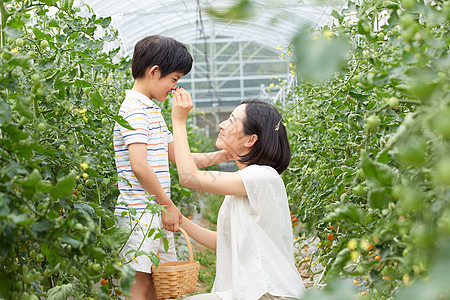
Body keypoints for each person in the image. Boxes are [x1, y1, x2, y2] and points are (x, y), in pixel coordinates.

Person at [113, 35, 232, 300]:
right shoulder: (133, 110)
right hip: (138, 217)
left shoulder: (152, 112)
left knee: (157, 285)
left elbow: (182, 158)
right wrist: (167, 205)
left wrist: (224, 154)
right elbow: (139, 166)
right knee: (139, 286)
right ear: (154, 71)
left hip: (154, 213)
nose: (175, 88)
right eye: (175, 79)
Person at [171, 88, 305, 300]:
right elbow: (224, 242)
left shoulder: (261, 177)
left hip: (267, 292)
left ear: (250, 140)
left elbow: (188, 176)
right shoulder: (248, 181)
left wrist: (178, 121)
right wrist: (180, 220)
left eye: (231, 121)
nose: (222, 124)